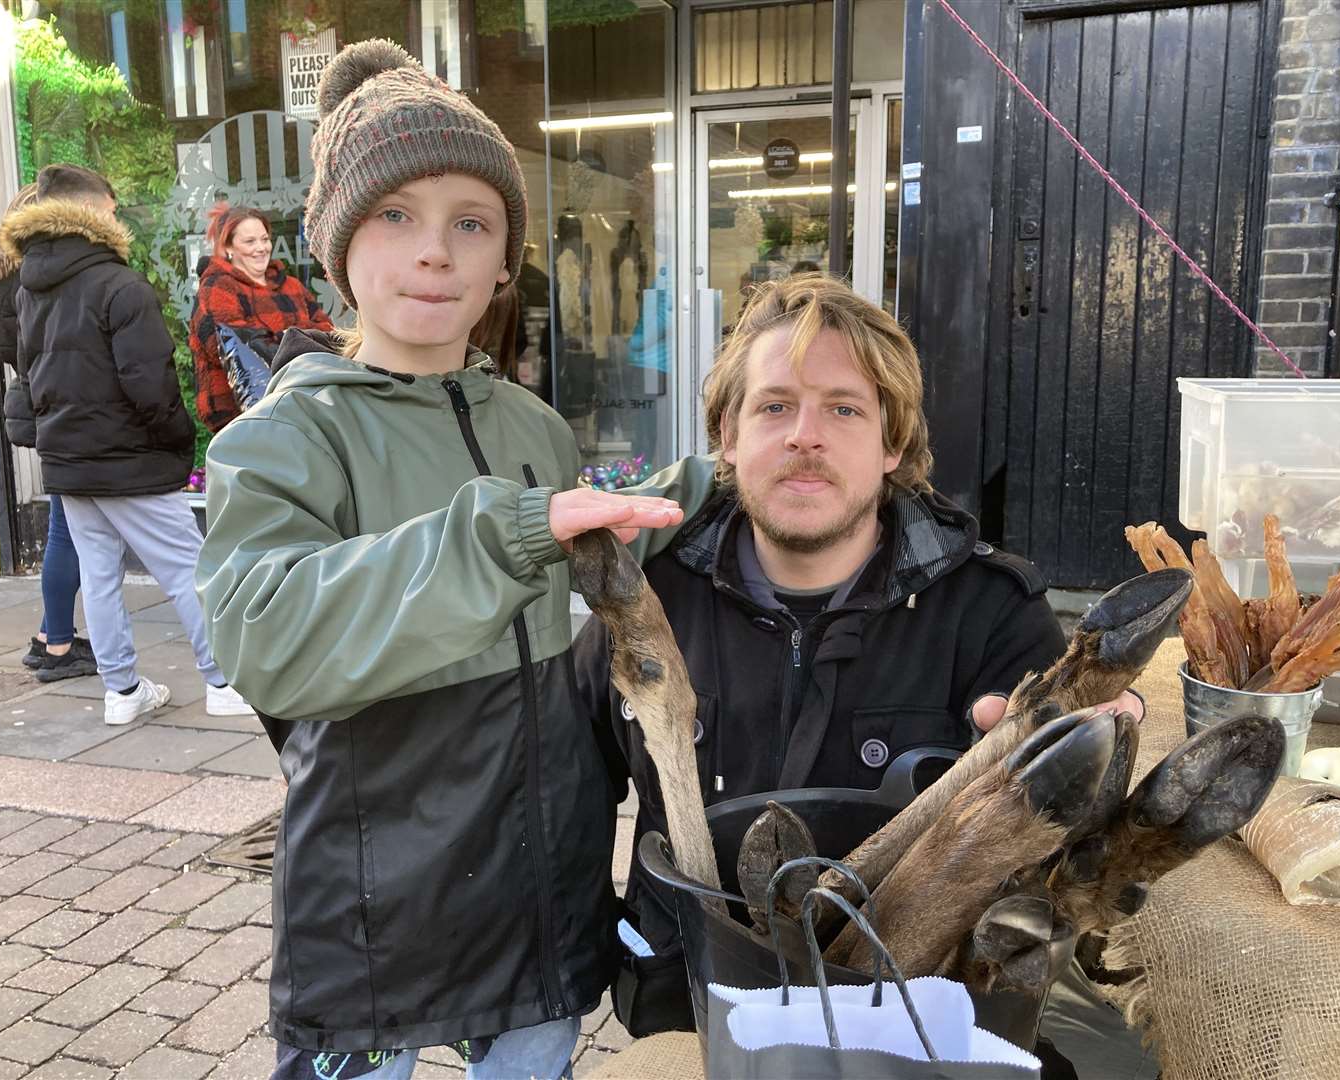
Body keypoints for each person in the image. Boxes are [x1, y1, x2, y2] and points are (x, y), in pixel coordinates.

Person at [193, 40, 717, 1080]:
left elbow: (588, 545)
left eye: (470, 223)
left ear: (501, 258)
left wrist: (722, 481)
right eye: (396, 215)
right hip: (378, 894)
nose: (435, 251)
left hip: (541, 870)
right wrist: (508, 533)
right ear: (337, 244)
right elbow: (264, 636)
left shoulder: (532, 424)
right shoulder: (284, 436)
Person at [576, 274, 1147, 1075]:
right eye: (774, 406)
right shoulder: (644, 602)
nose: (806, 435)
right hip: (692, 1005)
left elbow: (1052, 859)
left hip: (913, 1022)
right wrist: (581, 966)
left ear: (891, 446)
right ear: (728, 438)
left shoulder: (990, 613)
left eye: (844, 408)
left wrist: (1094, 760)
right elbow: (563, 802)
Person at [5, 163, 253, 724]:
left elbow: (26, 373)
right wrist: (176, 441)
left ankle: (121, 691)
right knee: (191, 569)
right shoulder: (120, 284)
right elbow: (151, 381)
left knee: (99, 577)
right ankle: (223, 682)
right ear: (92, 212)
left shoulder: (30, 287)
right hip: (129, 458)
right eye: (113, 210)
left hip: (67, 458)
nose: (118, 219)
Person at [0, 183, 96, 681]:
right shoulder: (29, 278)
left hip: (42, 408)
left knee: (66, 525)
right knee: (64, 529)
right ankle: (55, 646)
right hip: (58, 409)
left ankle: (51, 633)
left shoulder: (6, 275)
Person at [189, 202, 335, 432]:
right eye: (249, 241)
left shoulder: (291, 286)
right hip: (242, 420)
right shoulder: (217, 287)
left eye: (265, 239)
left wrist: (280, 337)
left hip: (304, 410)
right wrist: (301, 335)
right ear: (228, 247)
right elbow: (236, 351)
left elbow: (328, 333)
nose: (261, 247)